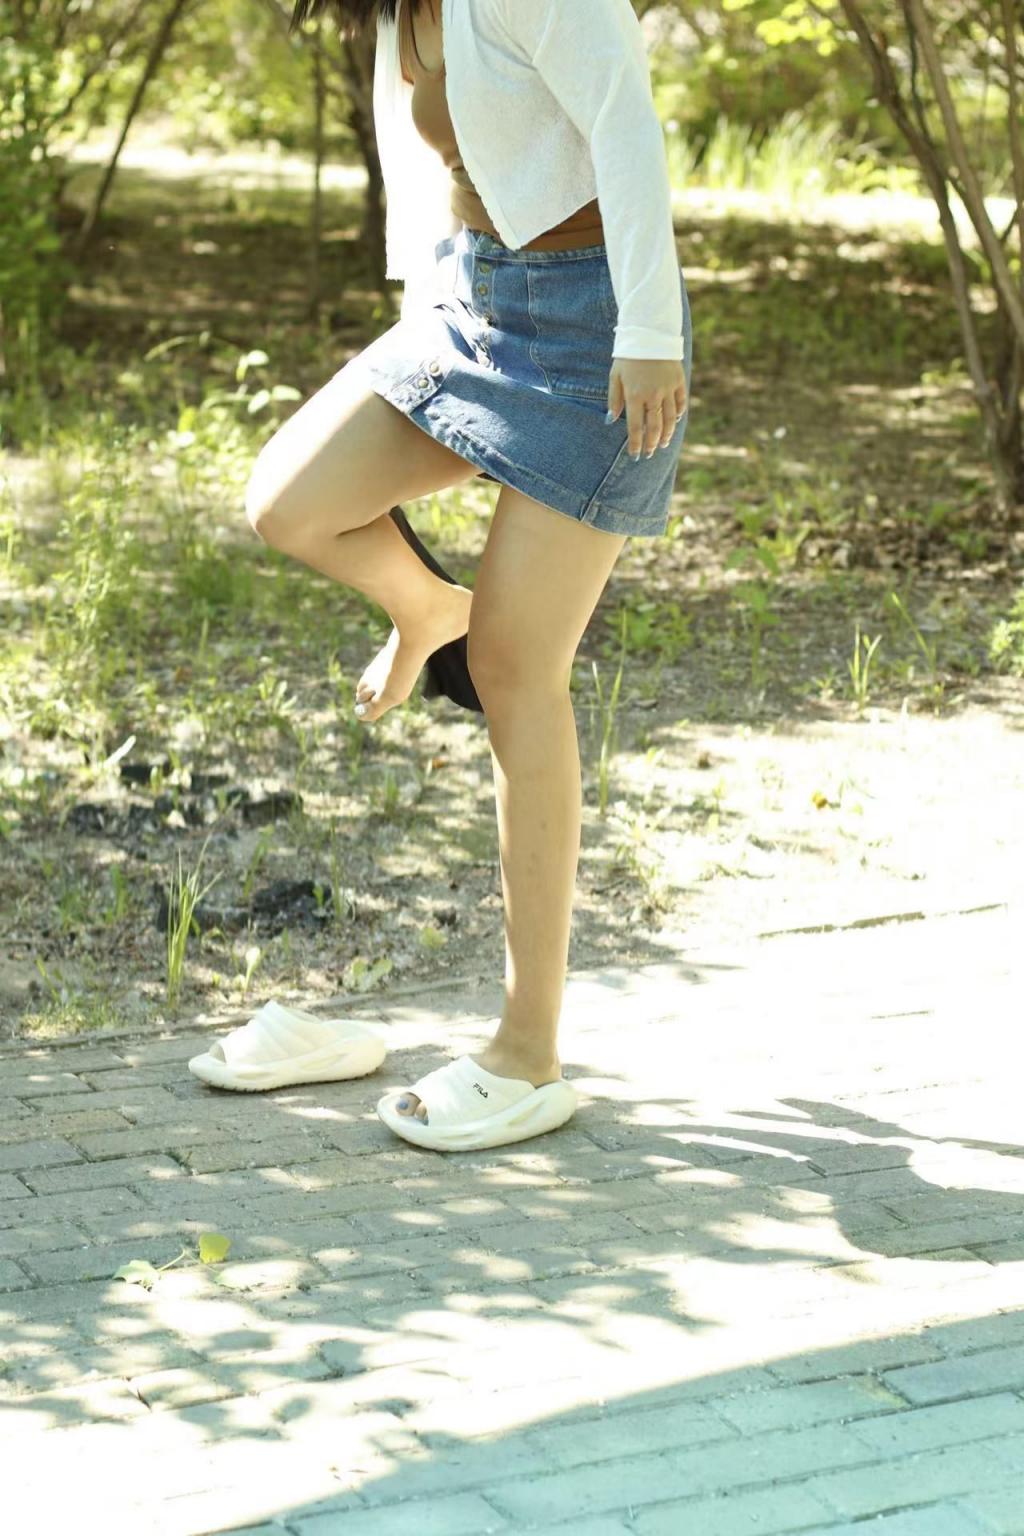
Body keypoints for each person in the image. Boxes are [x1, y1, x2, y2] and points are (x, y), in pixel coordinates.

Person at [189, 0, 693, 1153]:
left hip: (597, 327)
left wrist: (651, 333)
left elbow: (625, 123)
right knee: (289, 501)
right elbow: (434, 187)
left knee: (517, 675)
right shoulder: (396, 7)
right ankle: (428, 612)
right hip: (472, 308)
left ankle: (527, 1048)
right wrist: (427, 324)